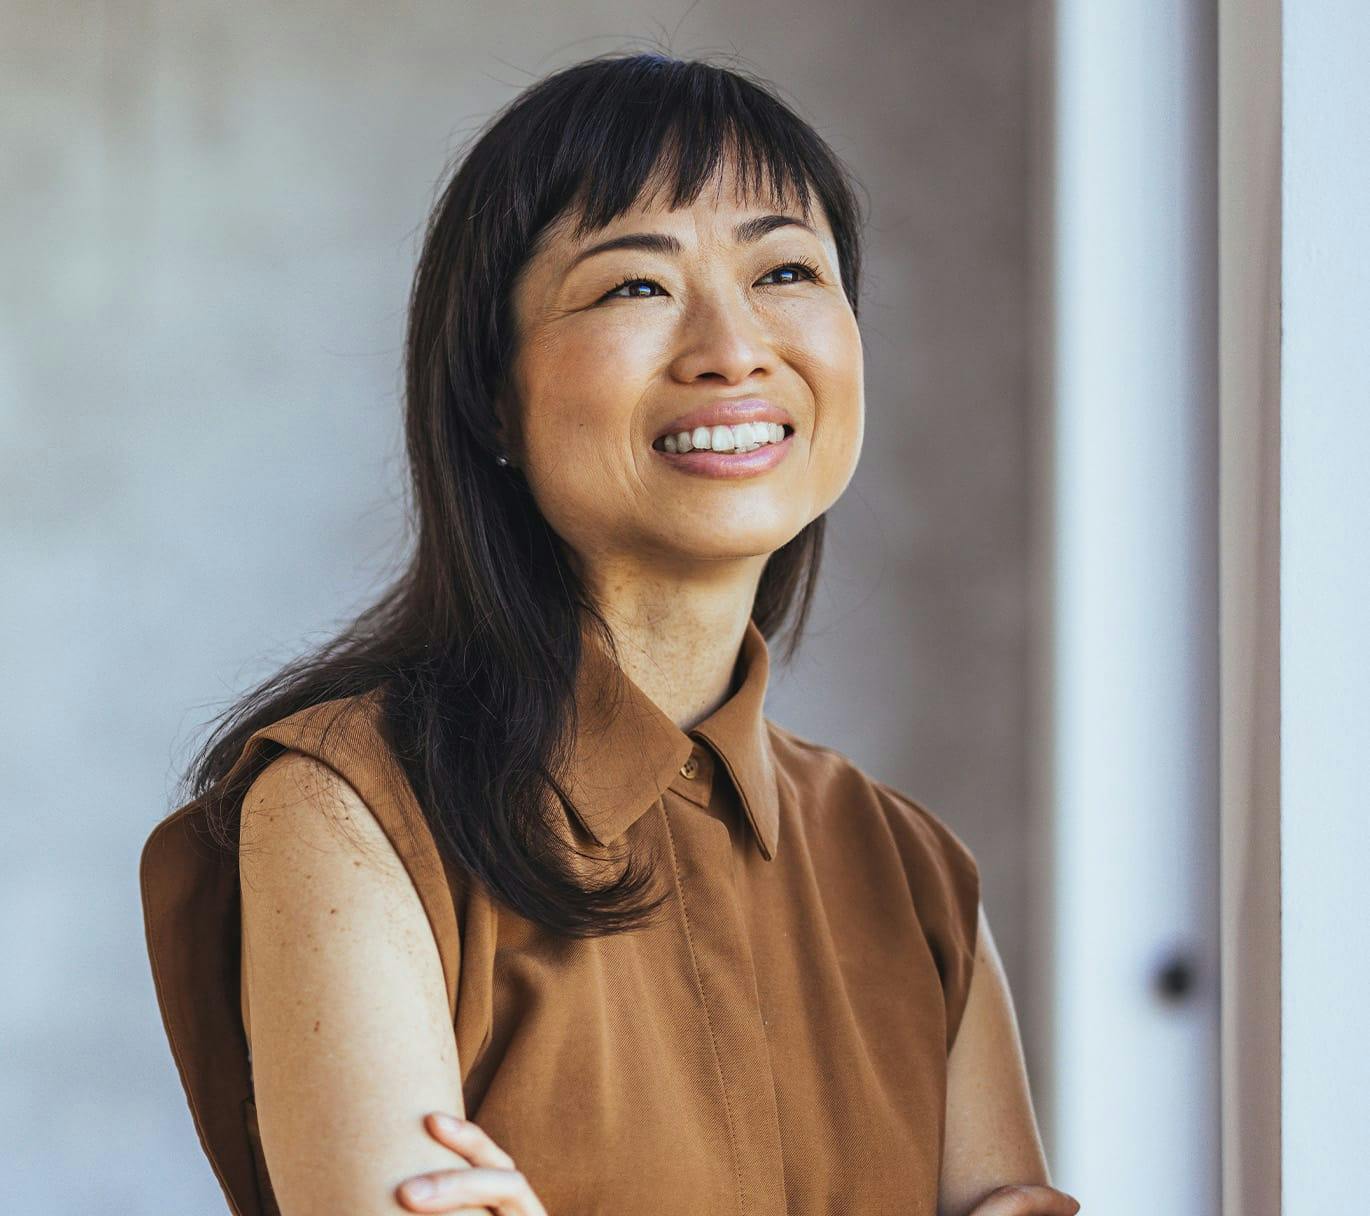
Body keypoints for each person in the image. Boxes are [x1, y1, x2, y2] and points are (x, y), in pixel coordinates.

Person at [139, 51, 1079, 1216]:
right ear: (492, 391)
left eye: (785, 270)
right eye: (635, 286)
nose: (731, 349)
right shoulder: (348, 806)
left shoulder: (913, 872)